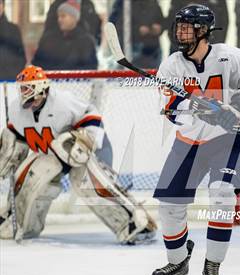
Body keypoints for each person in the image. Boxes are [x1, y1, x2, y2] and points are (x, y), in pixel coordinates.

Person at [150, 4, 240, 275]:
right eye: (179, 26)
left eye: (188, 27)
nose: (181, 32)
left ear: (204, 31)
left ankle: (212, 265)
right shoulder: (171, 65)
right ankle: (178, 263)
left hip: (228, 139)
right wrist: (199, 108)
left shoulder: (229, 56)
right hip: (188, 142)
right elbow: (171, 108)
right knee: (169, 205)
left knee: (222, 196)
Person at [0, 65, 156, 244]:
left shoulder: (62, 102)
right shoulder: (16, 110)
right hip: (48, 155)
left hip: (77, 153)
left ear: (40, 88)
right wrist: (10, 152)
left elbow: (92, 117)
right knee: (30, 179)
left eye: (27, 88)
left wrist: (85, 141)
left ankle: (134, 223)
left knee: (88, 184)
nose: (23, 92)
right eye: (22, 88)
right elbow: (18, 138)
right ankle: (19, 225)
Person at [32, 0, 97, 70]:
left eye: (63, 16)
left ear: (74, 18)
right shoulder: (48, 40)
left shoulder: (86, 42)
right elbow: (38, 65)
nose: (59, 20)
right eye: (58, 16)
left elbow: (90, 68)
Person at [108, 0, 164, 69]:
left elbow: (161, 20)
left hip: (153, 52)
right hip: (131, 52)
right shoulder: (122, 3)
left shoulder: (152, 2)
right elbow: (115, 26)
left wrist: (160, 27)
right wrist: (137, 30)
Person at [0, 0, 26, 80]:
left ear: (3, 6)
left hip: (10, 81)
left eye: (0, 3)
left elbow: (21, 58)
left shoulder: (13, 30)